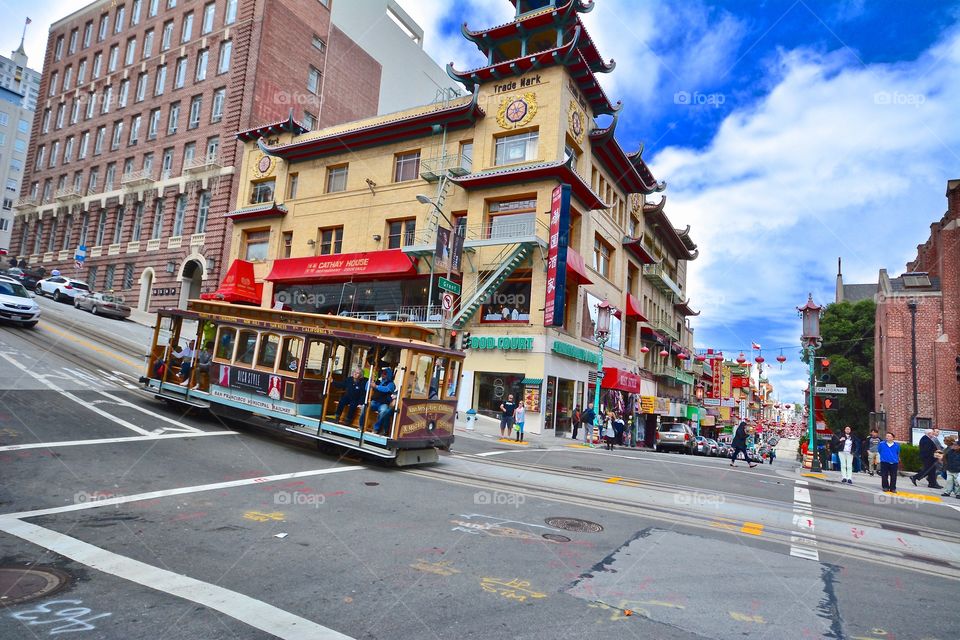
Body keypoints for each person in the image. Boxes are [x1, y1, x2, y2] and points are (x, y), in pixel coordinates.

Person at [370, 368, 396, 435]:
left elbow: (386, 389)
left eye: (385, 373)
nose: (382, 374)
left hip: (383, 404)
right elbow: (366, 388)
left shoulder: (391, 384)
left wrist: (376, 386)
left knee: (384, 411)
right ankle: (361, 426)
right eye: (382, 373)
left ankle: (376, 428)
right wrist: (370, 380)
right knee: (365, 406)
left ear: (388, 375)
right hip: (374, 402)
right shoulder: (378, 381)